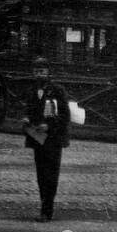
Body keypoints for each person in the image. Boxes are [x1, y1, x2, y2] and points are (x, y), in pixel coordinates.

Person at [22, 56, 70, 222]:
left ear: (48, 72)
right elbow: (29, 110)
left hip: (53, 139)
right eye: (36, 71)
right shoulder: (31, 90)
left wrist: (49, 127)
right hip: (38, 138)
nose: (39, 74)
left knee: (51, 175)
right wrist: (27, 119)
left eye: (42, 71)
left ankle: (47, 211)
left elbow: (65, 115)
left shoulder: (57, 90)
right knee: (41, 175)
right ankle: (44, 207)